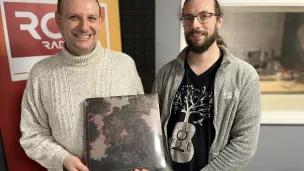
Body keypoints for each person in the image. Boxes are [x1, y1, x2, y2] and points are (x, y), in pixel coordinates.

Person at [19, 0, 144, 170]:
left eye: (91, 18)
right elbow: (32, 135)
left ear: (100, 21)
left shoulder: (125, 65)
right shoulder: (40, 73)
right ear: (58, 20)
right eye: (74, 17)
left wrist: (140, 161)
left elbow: (140, 125)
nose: (84, 27)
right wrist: (63, 159)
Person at [152, 0, 261, 170]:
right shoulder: (165, 74)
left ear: (219, 20)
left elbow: (244, 143)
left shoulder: (244, 76)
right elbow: (154, 132)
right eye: (188, 17)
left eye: (204, 16)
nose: (195, 24)